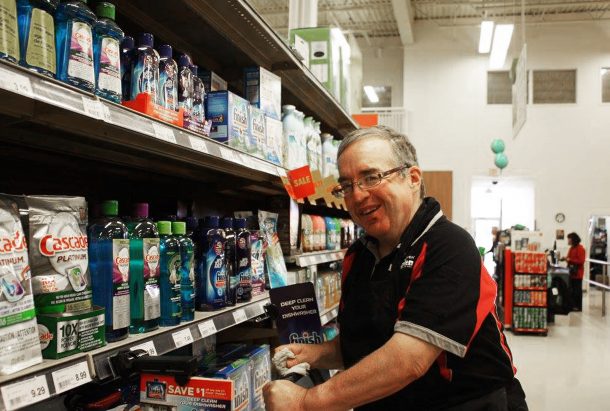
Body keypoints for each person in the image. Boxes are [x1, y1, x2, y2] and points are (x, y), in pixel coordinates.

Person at [263, 126, 527, 410]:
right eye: (347, 186)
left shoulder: (449, 246)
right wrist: (317, 354)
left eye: (371, 177)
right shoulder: (359, 255)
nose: (358, 195)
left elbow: (408, 359)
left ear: (412, 178)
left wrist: (306, 401)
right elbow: (366, 340)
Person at [565, 232, 586, 311]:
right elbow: (568, 257)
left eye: (569, 239)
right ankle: (573, 306)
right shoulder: (571, 248)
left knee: (577, 291)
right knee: (572, 290)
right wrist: (566, 259)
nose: (568, 240)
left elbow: (581, 261)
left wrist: (570, 260)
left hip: (578, 273)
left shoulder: (580, 249)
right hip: (571, 272)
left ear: (573, 239)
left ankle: (578, 307)